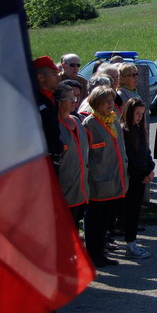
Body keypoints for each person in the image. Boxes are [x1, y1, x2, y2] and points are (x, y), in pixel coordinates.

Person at [82, 86, 128, 267]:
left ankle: (100, 253)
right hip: (98, 183)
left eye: (112, 100)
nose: (111, 104)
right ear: (97, 103)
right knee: (94, 220)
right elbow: (87, 157)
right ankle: (92, 254)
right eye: (107, 101)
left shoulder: (114, 121)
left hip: (114, 181)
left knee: (106, 220)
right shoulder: (89, 124)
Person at [120, 98, 154, 259]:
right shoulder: (125, 131)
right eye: (137, 113)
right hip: (132, 177)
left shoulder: (140, 130)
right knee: (130, 211)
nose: (140, 117)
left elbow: (145, 152)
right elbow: (130, 157)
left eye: (142, 114)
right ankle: (130, 243)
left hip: (142, 175)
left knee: (135, 211)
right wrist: (145, 172)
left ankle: (132, 241)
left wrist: (150, 169)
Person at [54, 82, 89, 225]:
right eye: (71, 99)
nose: (75, 101)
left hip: (81, 191)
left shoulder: (77, 120)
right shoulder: (53, 127)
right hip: (64, 194)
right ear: (58, 102)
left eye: (76, 98)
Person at [34, 55, 63, 169]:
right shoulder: (34, 101)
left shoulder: (52, 100)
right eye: (54, 74)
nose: (59, 78)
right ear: (41, 77)